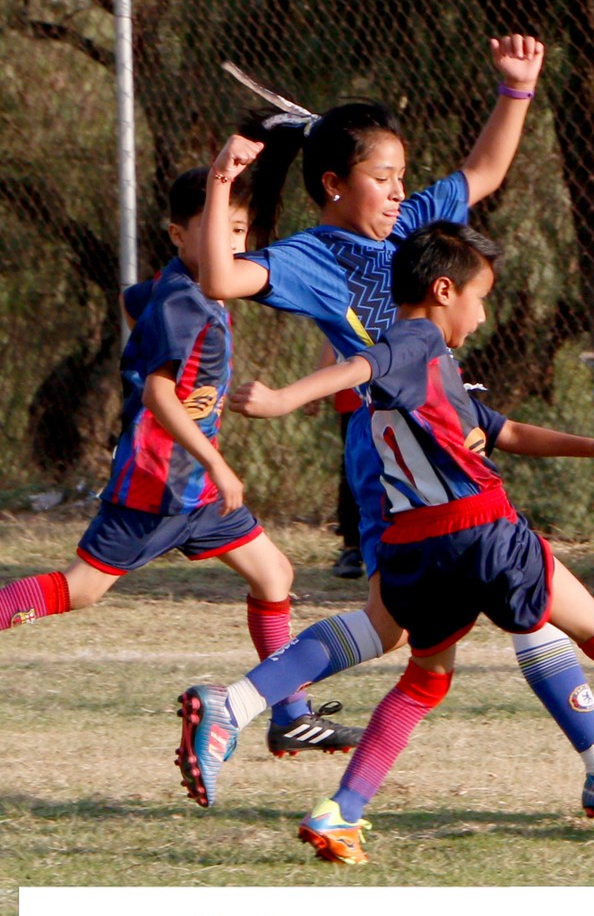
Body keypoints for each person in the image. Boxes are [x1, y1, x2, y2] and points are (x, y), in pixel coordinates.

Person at [191, 224, 594, 863]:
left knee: (424, 679)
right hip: (481, 532)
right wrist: (287, 397)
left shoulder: (433, 368)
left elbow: (500, 428)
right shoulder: (416, 339)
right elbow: (366, 364)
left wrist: (591, 446)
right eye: (479, 298)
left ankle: (342, 810)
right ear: (443, 289)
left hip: (414, 551)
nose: (482, 315)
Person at [182, 37, 544, 733]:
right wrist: (221, 181)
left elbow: (484, 170)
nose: (402, 191)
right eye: (386, 177)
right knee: (424, 620)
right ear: (333, 185)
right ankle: (245, 710)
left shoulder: (409, 227)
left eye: (404, 175)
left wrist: (516, 89)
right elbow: (220, 279)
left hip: (442, 440)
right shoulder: (309, 257)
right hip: (392, 455)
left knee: (417, 624)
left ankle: (248, 709)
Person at [0, 155, 350, 754]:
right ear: (179, 235)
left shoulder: (181, 289)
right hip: (160, 483)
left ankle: (291, 715)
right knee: (81, 590)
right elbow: (162, 394)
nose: (230, 241)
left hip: (198, 491)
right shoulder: (185, 305)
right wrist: (211, 456)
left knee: (275, 574)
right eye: (216, 228)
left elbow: (130, 299)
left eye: (238, 230)